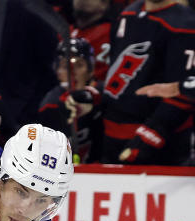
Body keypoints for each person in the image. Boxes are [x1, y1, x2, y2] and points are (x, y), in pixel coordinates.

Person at [101, 0, 195, 165]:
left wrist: (155, 131)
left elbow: (184, 91)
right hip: (110, 133)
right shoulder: (127, 14)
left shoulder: (185, 24)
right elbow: (116, 74)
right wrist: (94, 93)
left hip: (158, 144)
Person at [37, 37, 103, 164]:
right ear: (57, 72)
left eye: (79, 65)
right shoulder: (50, 105)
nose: (72, 73)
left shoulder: (103, 97)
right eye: (65, 66)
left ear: (91, 70)